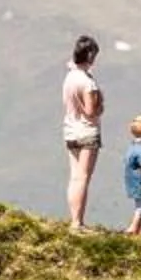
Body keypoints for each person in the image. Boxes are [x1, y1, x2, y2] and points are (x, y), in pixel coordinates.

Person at [61, 35, 104, 231]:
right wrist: (100, 104)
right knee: (83, 177)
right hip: (87, 131)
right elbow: (90, 111)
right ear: (89, 54)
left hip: (70, 130)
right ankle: (78, 222)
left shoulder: (70, 77)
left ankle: (74, 219)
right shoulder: (87, 83)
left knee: (74, 176)